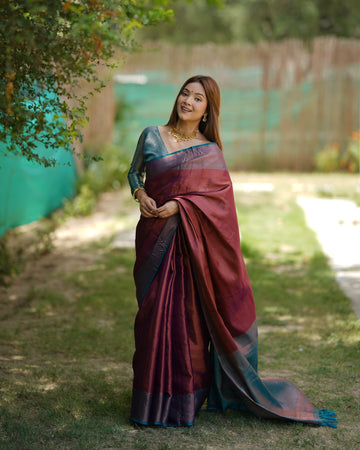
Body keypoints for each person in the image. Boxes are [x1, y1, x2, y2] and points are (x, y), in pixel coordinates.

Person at [127, 75, 337, 428]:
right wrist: (141, 195)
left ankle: (181, 401)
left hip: (189, 248)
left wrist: (181, 206)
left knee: (186, 323)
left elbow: (219, 202)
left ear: (208, 111)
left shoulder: (209, 152)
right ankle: (148, 398)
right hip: (153, 240)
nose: (188, 101)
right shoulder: (151, 135)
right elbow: (135, 174)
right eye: (185, 93)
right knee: (151, 321)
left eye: (198, 99)